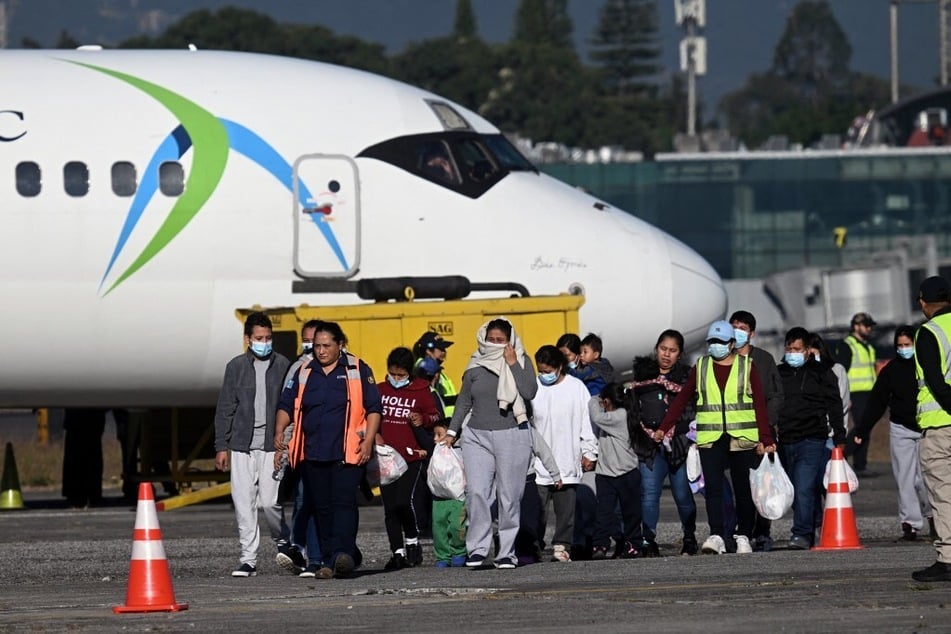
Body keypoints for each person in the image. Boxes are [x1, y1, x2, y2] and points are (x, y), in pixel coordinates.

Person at [655, 320, 776, 555]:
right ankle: (717, 534)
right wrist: (665, 427)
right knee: (713, 489)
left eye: (721, 342)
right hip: (711, 437)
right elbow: (682, 399)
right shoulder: (701, 367)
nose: (716, 346)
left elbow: (759, 404)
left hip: (742, 436)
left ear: (731, 344)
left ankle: (743, 536)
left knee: (743, 490)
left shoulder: (746, 366)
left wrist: (766, 438)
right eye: (712, 342)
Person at [274, 320, 382, 579]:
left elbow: (374, 408)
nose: (320, 351)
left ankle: (343, 554)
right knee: (321, 507)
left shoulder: (357, 368)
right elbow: (286, 405)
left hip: (348, 451)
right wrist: (279, 431)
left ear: (340, 345)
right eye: (317, 346)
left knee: (343, 504)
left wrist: (368, 441)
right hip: (312, 452)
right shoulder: (304, 372)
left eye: (326, 346)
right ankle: (327, 559)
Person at [445, 317, 538, 569]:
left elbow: (529, 392)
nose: (495, 344)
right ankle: (477, 549)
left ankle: (506, 552)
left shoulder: (521, 358)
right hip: (476, 435)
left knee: (509, 495)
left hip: (512, 433)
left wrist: (513, 364)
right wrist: (453, 431)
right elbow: (464, 401)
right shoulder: (475, 363)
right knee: (476, 492)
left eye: (501, 340)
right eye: (492, 340)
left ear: (510, 341)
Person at [214, 312, 292, 577]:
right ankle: (248, 559)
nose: (265, 342)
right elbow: (225, 407)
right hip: (241, 446)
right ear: (248, 339)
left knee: (270, 502)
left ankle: (284, 542)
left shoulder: (283, 365)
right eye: (259, 338)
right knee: (243, 503)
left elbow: (290, 406)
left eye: (269, 338)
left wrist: (286, 443)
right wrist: (221, 446)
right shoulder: (235, 367)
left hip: (272, 446)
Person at [854, 325, 932, 541]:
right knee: (904, 479)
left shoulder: (927, 365)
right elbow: (877, 402)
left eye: (908, 345)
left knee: (926, 479)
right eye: (900, 346)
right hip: (901, 429)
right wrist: (862, 429)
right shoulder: (891, 370)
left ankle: (934, 517)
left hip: (927, 427)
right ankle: (910, 524)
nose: (904, 349)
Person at [776, 327, 846, 550]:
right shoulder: (779, 373)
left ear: (807, 350)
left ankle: (802, 534)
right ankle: (811, 519)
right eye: (789, 349)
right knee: (794, 489)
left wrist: (840, 436)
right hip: (785, 439)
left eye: (797, 349)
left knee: (804, 485)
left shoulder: (822, 372)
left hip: (812, 439)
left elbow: (835, 404)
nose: (792, 353)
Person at [630, 329, 698, 557]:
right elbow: (633, 410)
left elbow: (692, 412)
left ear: (680, 354)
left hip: (679, 446)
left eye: (672, 351)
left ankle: (689, 537)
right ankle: (648, 540)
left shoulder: (688, 378)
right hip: (649, 448)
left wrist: (671, 430)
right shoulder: (641, 376)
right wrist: (644, 434)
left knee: (682, 495)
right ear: (656, 349)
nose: (666, 355)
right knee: (649, 494)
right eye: (663, 349)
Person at [529, 345, 597, 562]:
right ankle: (533, 546)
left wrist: (590, 451)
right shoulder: (533, 388)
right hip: (538, 461)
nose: (544, 375)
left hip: (567, 457)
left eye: (548, 370)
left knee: (566, 510)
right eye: (540, 370)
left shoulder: (576, 388)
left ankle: (562, 546)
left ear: (559, 367)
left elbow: (588, 423)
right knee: (536, 510)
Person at [376, 347, 441, 570]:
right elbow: (370, 415)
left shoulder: (421, 390)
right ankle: (397, 552)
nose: (395, 379)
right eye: (392, 374)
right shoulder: (380, 390)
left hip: (411, 457)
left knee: (404, 502)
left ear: (409, 373)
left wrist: (421, 418)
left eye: (400, 375)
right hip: (385, 458)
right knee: (390, 508)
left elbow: (435, 415)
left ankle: (413, 542)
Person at [729, 310, 783, 551]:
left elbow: (775, 396)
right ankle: (740, 531)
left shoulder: (763, 360)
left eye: (742, 328)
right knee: (739, 488)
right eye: (733, 327)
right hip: (732, 434)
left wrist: (767, 432)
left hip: (759, 434)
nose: (737, 332)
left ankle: (762, 532)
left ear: (751, 333)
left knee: (762, 486)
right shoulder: (723, 359)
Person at [912, 276, 951, 582]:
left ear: (924, 302)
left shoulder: (929, 333)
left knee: (943, 494)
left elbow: (936, 383)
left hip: (940, 425)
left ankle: (948, 557)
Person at [276, 320, 320, 577]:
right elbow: (288, 408)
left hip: (330, 446)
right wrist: (286, 444)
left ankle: (330, 552)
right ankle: (300, 551)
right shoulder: (297, 368)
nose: (310, 345)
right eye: (306, 339)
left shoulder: (346, 366)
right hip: (303, 446)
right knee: (303, 500)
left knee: (328, 503)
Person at [588, 383, 643, 559]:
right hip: (606, 474)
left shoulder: (620, 416)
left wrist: (594, 399)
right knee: (604, 512)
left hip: (626, 472)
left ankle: (633, 543)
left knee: (630, 512)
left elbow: (596, 416)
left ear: (607, 401)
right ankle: (601, 544)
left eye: (603, 402)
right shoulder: (617, 414)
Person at [837, 312, 878, 474]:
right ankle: (843, 453)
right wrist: (845, 395)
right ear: (856, 326)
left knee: (865, 428)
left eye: (870, 326)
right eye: (866, 326)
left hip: (869, 393)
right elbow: (841, 372)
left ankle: (860, 465)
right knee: (861, 426)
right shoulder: (848, 345)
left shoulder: (868, 346)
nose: (869, 329)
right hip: (855, 393)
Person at [430, 423, 467, 567]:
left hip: (458, 498)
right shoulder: (436, 451)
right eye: (434, 435)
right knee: (439, 528)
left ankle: (459, 551)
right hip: (439, 498)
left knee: (457, 526)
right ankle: (442, 556)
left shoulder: (460, 451)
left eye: (439, 435)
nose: (435, 439)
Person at [62, 408, 107, 508]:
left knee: (75, 454)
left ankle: (77, 493)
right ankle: (90, 492)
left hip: (77, 415)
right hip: (92, 415)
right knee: (91, 454)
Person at [413, 332, 457, 420]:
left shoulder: (435, 367)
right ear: (428, 350)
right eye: (440, 349)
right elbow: (430, 398)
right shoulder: (426, 367)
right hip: (438, 421)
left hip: (445, 420)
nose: (444, 352)